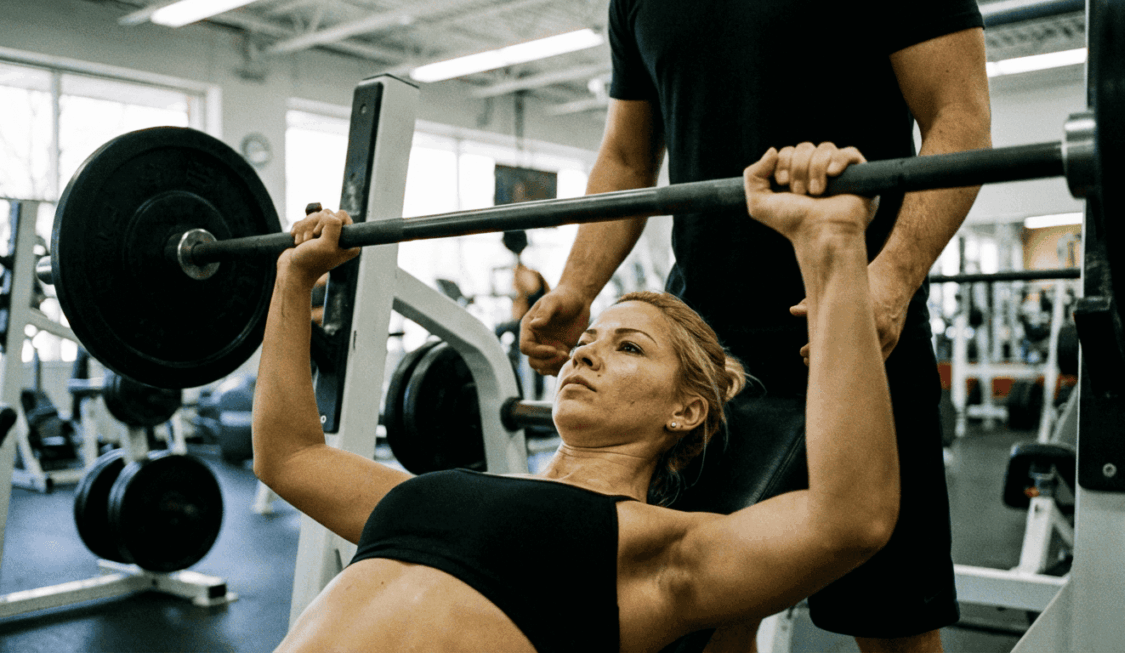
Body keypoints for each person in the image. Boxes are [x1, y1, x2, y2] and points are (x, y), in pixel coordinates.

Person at [253, 144, 897, 652]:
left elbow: (850, 520)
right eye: (588, 340)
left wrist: (830, 248)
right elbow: (287, 455)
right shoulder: (431, 491)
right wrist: (293, 277)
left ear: (685, 411)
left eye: (629, 347)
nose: (584, 354)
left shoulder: (651, 548)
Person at [521, 2, 992, 651]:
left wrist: (891, 278)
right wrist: (576, 287)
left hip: (856, 319)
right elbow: (627, 157)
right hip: (702, 353)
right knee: (700, 611)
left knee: (891, 619)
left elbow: (959, 118)